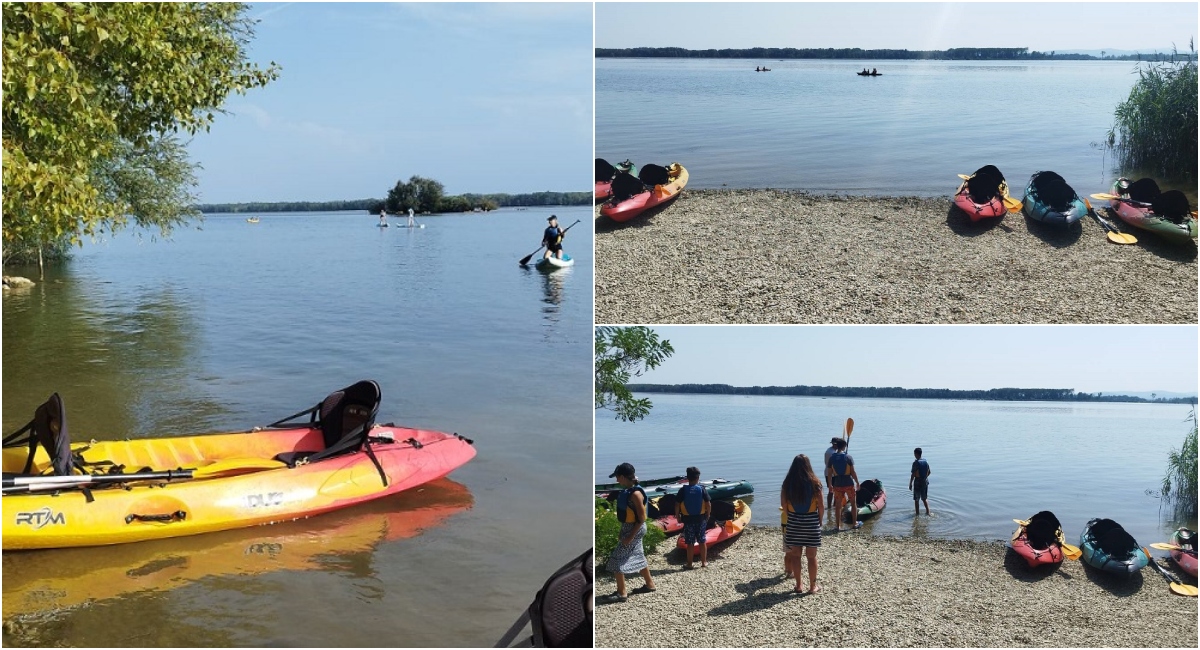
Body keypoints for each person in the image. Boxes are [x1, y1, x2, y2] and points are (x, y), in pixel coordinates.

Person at [604, 462, 656, 602]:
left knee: (617, 559)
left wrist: (629, 536)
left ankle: (622, 593)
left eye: (617, 477)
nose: (616, 480)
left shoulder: (636, 494)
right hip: (629, 528)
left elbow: (641, 518)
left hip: (635, 529)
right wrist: (622, 531)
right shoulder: (628, 491)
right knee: (638, 555)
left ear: (622, 476)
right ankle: (650, 584)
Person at [781, 454, 824, 594]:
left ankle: (799, 585)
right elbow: (822, 506)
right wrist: (820, 520)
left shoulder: (787, 484)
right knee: (811, 557)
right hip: (811, 523)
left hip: (794, 522)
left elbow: (783, 505)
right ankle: (812, 587)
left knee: (795, 555)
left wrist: (791, 517)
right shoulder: (815, 483)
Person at [675, 466, 711, 569]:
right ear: (698, 478)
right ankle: (704, 562)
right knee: (702, 541)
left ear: (687, 478)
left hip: (688, 520)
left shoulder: (682, 490)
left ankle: (689, 564)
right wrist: (708, 514)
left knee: (690, 542)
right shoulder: (702, 489)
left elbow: (677, 504)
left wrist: (678, 516)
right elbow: (708, 504)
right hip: (701, 519)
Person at [826, 438, 860, 531]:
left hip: (837, 484)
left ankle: (838, 526)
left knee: (838, 505)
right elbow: (853, 472)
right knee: (853, 503)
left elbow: (829, 473)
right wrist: (857, 482)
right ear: (844, 446)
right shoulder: (848, 457)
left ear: (837, 446)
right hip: (848, 483)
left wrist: (830, 485)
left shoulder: (832, 458)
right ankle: (854, 523)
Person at [823, 436, 847, 509]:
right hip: (832, 474)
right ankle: (831, 506)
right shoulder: (831, 453)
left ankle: (833, 506)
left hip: (829, 473)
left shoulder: (830, 451)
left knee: (833, 490)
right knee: (833, 491)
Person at [910, 447, 931, 515]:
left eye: (914, 454)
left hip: (917, 482)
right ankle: (928, 512)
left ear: (916, 454)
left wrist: (910, 483)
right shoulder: (925, 462)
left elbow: (913, 474)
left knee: (916, 499)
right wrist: (924, 477)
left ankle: (917, 514)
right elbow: (929, 472)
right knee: (924, 499)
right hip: (925, 481)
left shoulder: (915, 463)